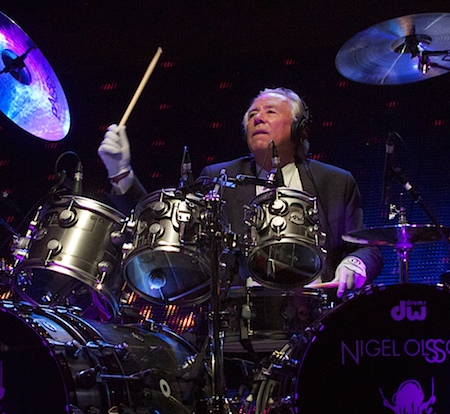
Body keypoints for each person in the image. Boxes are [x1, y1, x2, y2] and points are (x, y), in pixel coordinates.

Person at [97, 87, 382, 295]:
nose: (258, 118)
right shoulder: (218, 178)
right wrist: (121, 173)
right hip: (237, 324)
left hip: (315, 318)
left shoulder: (335, 181)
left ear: (299, 128)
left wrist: (354, 264)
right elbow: (163, 227)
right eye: (252, 114)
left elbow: (367, 249)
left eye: (271, 111)